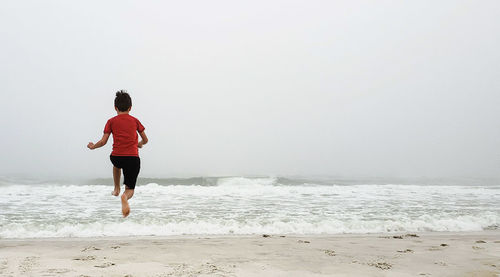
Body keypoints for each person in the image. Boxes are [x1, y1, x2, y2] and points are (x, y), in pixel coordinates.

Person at [87, 90, 148, 217]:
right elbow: (146, 139)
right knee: (130, 189)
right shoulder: (135, 121)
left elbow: (103, 142)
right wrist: (140, 143)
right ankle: (124, 197)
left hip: (116, 157)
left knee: (116, 165)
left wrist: (93, 147)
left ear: (115, 107)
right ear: (130, 107)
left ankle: (116, 188)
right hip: (132, 158)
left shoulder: (111, 121)